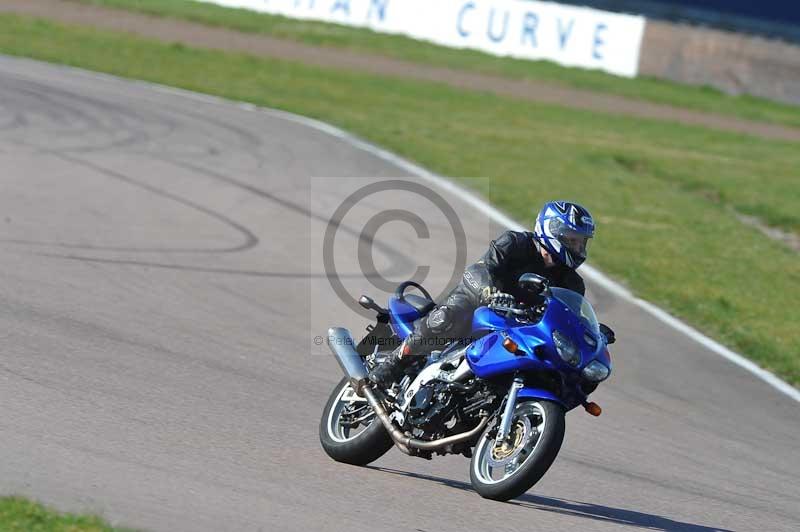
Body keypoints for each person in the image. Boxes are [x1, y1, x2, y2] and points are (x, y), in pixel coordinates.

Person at [369, 200, 596, 387]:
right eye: (572, 240)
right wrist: (491, 293)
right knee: (445, 319)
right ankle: (393, 364)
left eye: (581, 243)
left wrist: (591, 331)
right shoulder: (515, 243)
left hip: (519, 327)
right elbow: (480, 270)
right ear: (552, 230)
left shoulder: (573, 284)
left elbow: (570, 315)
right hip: (479, 304)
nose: (577, 249)